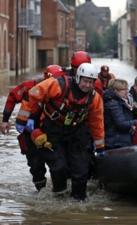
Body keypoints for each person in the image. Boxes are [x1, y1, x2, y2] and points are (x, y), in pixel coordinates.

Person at [16, 63, 104, 201]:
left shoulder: (95, 98)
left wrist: (100, 146)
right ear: (78, 77)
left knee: (81, 170)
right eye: (85, 81)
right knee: (59, 167)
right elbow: (33, 95)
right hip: (53, 128)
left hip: (76, 131)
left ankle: (79, 200)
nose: (87, 85)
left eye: (91, 82)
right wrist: (22, 119)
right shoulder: (58, 84)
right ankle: (59, 197)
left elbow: (97, 122)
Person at [1, 65, 64, 191]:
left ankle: (59, 191)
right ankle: (41, 191)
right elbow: (13, 96)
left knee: (59, 165)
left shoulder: (64, 90)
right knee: (36, 166)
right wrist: (5, 120)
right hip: (29, 134)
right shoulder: (29, 86)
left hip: (52, 131)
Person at [104, 79, 137, 149]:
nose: (127, 91)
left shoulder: (119, 101)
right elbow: (121, 124)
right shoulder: (114, 104)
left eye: (126, 88)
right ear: (115, 91)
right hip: (115, 142)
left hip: (118, 140)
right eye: (123, 89)